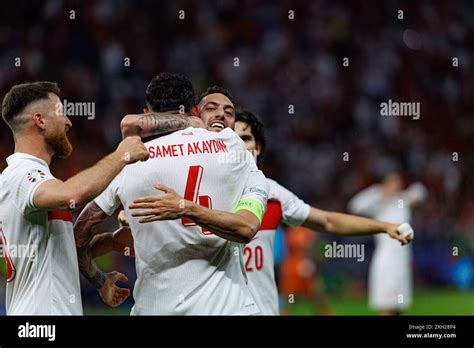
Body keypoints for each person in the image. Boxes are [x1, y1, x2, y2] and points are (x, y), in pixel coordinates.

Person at [121, 93, 415, 315]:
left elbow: (326, 221)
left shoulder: (271, 193)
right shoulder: (192, 189)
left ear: (257, 148)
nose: (239, 145)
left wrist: (383, 225)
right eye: (232, 138)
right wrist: (128, 217)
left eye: (246, 139)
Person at [74, 73, 269, 315]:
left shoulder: (128, 160)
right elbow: (246, 228)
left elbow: (78, 237)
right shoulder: (231, 144)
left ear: (149, 111)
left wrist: (100, 280)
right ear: (195, 110)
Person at [0, 81, 149, 315]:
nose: (69, 122)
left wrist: (103, 264)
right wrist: (122, 155)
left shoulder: (32, 179)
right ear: (39, 120)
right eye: (62, 113)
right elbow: (73, 195)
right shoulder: (22, 174)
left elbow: (56, 249)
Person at [348, 171, 427, 315]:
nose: (396, 185)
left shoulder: (402, 201)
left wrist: (402, 195)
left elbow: (420, 191)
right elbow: (354, 205)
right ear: (385, 184)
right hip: (387, 262)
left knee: (399, 307)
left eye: (398, 182)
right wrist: (379, 192)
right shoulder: (378, 205)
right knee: (387, 306)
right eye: (392, 182)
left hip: (402, 261)